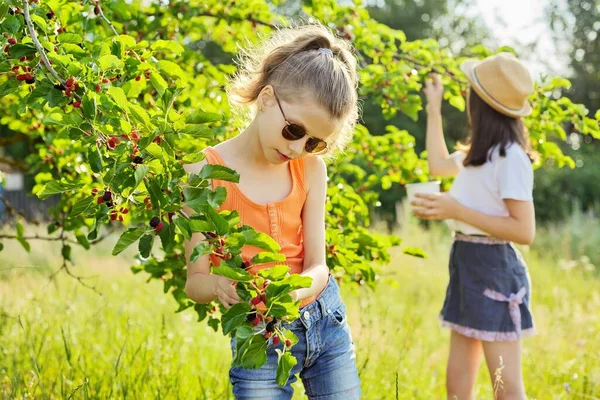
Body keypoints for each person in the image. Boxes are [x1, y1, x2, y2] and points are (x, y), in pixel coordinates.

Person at [183, 24, 361, 399]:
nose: (298, 149)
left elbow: (318, 265)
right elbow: (194, 281)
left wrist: (294, 293)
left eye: (314, 142)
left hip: (324, 321)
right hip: (259, 337)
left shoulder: (310, 169)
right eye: (294, 130)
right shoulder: (204, 172)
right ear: (266, 98)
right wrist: (218, 286)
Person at [413, 53, 537, 400]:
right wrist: (434, 107)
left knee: (506, 388)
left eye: (470, 93)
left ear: (481, 104)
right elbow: (438, 166)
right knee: (458, 382)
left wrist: (457, 209)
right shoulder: (478, 155)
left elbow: (524, 231)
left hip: (495, 270)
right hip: (467, 263)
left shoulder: (511, 157)